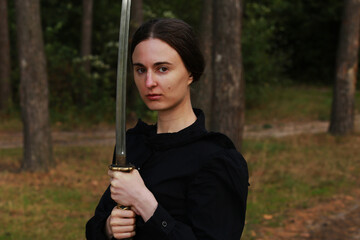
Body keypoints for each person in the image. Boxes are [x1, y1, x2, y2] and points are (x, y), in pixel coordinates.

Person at [86, 18, 249, 240]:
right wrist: (108, 227)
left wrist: (145, 203)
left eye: (162, 68)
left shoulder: (217, 160)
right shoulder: (133, 143)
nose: (149, 82)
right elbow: (95, 227)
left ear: (190, 73)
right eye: (140, 70)